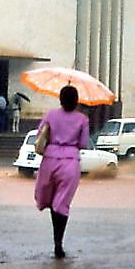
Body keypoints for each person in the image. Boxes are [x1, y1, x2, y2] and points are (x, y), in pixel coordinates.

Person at [34, 85, 89, 259]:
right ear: (77, 101)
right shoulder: (83, 119)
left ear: (60, 99)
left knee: (51, 201)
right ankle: (59, 243)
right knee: (62, 203)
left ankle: (55, 240)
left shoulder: (50, 114)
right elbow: (83, 143)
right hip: (70, 162)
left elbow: (39, 134)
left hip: (50, 160)